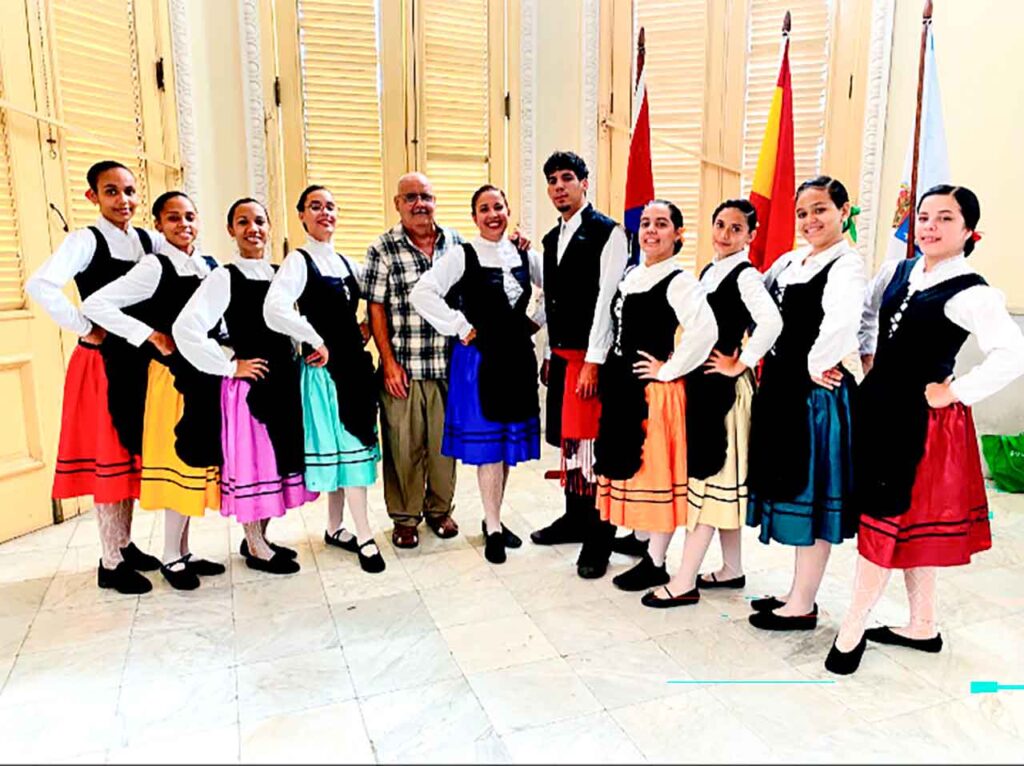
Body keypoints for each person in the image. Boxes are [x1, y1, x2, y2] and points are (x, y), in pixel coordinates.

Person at [825, 185, 1024, 674]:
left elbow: (1012, 353)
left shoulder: (974, 292)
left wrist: (954, 392)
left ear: (968, 230)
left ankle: (851, 630)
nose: (930, 226)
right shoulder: (900, 270)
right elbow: (868, 313)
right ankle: (923, 625)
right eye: (924, 217)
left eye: (945, 218)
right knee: (900, 523)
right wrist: (868, 356)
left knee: (886, 523)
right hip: (879, 411)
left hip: (921, 425)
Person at [25, 160, 162, 594]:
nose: (123, 200)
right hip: (103, 363)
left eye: (129, 191)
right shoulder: (84, 241)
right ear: (93, 197)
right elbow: (41, 285)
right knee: (110, 459)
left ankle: (124, 543)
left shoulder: (146, 240)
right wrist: (86, 326)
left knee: (130, 456)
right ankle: (110, 562)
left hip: (140, 359)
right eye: (111, 191)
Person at [641, 199, 782, 606]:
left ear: (751, 236)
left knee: (709, 482)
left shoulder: (745, 275)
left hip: (724, 391)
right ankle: (732, 568)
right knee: (719, 482)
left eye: (736, 229)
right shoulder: (709, 270)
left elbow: (771, 322)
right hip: (703, 384)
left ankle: (683, 582)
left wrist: (742, 362)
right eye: (719, 224)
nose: (724, 234)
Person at [82, 191, 226, 591]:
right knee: (181, 465)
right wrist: (149, 335)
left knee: (197, 467)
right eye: (173, 218)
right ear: (159, 225)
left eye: (190, 217)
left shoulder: (209, 264)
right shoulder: (153, 266)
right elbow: (97, 304)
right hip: (172, 381)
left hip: (205, 375)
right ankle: (170, 557)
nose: (184, 225)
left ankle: (182, 549)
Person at [745, 176, 866, 631]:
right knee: (791, 487)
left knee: (810, 499)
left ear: (843, 210)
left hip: (814, 396)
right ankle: (797, 590)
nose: (810, 220)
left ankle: (802, 604)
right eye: (802, 212)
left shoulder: (846, 264)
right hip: (782, 390)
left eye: (820, 209)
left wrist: (817, 363)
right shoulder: (791, 260)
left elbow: (843, 319)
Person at [173, 198, 317, 575]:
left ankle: (260, 537)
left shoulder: (279, 273)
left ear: (270, 228)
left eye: (259, 221)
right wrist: (227, 364)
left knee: (280, 463)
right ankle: (255, 545)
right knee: (258, 465)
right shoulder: (225, 276)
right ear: (230, 230)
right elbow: (186, 327)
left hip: (285, 382)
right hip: (252, 386)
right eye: (243, 222)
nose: (252, 228)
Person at [410, 184, 542, 564]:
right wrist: (457, 324)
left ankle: (493, 520)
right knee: (488, 448)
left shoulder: (523, 254)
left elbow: (555, 288)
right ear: (474, 217)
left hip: (516, 358)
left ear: (508, 209)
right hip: (480, 361)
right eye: (484, 209)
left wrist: (534, 322)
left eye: (498, 206)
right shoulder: (461, 255)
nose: (492, 214)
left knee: (505, 445)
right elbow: (423, 292)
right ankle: (494, 526)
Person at [591, 200, 717, 595]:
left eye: (661, 224)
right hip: (623, 388)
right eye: (646, 223)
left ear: (677, 234)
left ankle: (657, 563)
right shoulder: (633, 274)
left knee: (655, 475)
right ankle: (644, 542)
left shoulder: (679, 279)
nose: (651, 231)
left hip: (653, 393)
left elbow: (705, 330)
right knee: (630, 469)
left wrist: (668, 368)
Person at [264, 185, 384, 574]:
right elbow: (274, 308)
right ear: (302, 215)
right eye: (315, 206)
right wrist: (313, 338)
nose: (324, 213)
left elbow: (381, 294)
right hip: (324, 375)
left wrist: (366, 325)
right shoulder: (298, 262)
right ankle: (365, 536)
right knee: (347, 454)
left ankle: (335, 528)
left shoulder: (348, 263)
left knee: (348, 451)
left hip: (354, 370)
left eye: (330, 206)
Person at [531, 151, 630, 580]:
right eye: (552, 180)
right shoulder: (552, 240)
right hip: (564, 357)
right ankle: (574, 519)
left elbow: (608, 302)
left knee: (593, 451)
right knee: (570, 445)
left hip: (593, 360)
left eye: (567, 178)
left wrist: (593, 361)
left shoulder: (608, 234)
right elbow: (551, 303)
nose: (558, 186)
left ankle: (599, 536)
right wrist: (552, 353)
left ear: (584, 183)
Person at [364, 173, 464, 549]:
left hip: (447, 365)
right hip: (402, 368)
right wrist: (387, 361)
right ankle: (405, 518)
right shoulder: (382, 248)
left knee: (444, 446)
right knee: (404, 448)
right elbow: (375, 308)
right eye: (411, 197)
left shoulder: (455, 243)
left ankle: (440, 511)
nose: (419, 203)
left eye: (426, 196)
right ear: (397, 204)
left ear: (435, 201)